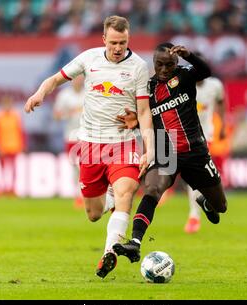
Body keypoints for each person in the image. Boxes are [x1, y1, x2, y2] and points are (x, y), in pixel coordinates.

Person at [24, 16, 154, 278]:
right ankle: (109, 201)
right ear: (104, 39)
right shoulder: (88, 58)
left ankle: (110, 251)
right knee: (94, 213)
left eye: (124, 42)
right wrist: (39, 94)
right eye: (114, 42)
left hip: (123, 143)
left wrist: (149, 148)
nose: (118, 48)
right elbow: (54, 79)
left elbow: (144, 111)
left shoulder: (139, 67)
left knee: (126, 191)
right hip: (91, 144)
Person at [113, 43, 227, 263]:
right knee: (153, 190)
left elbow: (206, 72)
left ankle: (204, 202)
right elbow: (147, 119)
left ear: (176, 63)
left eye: (169, 65)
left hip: (195, 151)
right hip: (167, 149)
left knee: (220, 206)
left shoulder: (184, 77)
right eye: (159, 65)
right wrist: (135, 122)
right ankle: (135, 243)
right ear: (153, 64)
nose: (164, 69)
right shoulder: (146, 89)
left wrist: (190, 56)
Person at [184, 52, 227, 234]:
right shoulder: (184, 84)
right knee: (171, 171)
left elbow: (221, 102)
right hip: (182, 135)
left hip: (204, 136)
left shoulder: (215, 85)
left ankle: (194, 215)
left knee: (193, 176)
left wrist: (222, 124)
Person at [53, 75, 85, 208]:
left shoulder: (89, 93)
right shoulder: (64, 95)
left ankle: (85, 195)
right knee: (75, 167)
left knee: (86, 166)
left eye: (80, 77)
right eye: (76, 78)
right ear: (71, 80)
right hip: (71, 136)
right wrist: (68, 113)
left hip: (87, 135)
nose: (78, 80)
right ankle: (78, 195)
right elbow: (56, 115)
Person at [0, 95, 26, 194]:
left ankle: (12, 188)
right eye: (5, 104)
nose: (7, 106)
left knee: (13, 168)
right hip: (3, 146)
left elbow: (21, 131)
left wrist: (22, 144)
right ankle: (3, 187)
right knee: (2, 169)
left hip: (14, 146)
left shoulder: (16, 116)